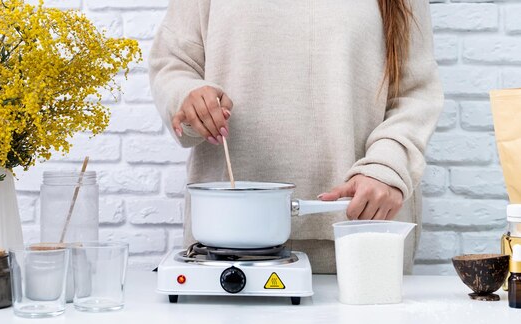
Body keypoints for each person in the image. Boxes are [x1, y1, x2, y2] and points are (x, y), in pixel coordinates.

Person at [149, 0, 443, 274]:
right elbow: (173, 63)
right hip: (226, 237)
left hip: (362, 236)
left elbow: (415, 91)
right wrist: (187, 99)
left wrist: (387, 167)